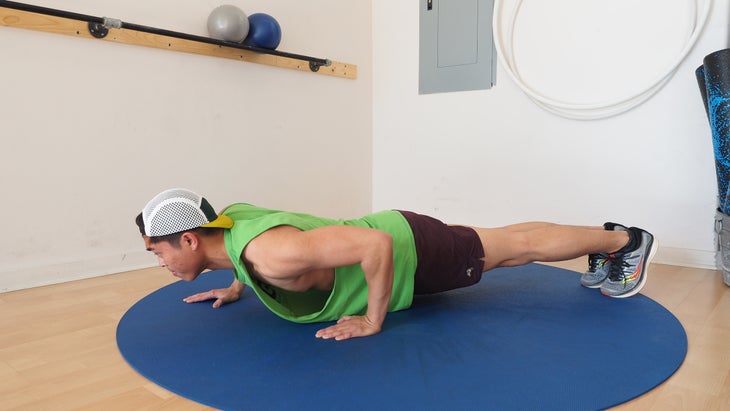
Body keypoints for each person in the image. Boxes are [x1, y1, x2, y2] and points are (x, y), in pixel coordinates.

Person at [135, 188, 658, 341]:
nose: (156, 259)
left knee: (514, 247)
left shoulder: (274, 255)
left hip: (410, 250)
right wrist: (231, 287)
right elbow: (243, 242)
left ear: (188, 239)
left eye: (156, 249)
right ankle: (609, 240)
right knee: (507, 239)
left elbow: (374, 248)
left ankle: (625, 240)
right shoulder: (231, 223)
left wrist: (372, 320)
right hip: (404, 231)